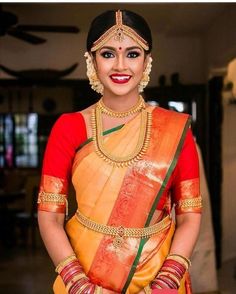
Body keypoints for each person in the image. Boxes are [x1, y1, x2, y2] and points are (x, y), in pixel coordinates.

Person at [37, 9, 202, 294]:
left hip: (158, 273)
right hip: (85, 271)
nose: (121, 66)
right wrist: (79, 284)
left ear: (147, 62)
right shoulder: (69, 128)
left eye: (133, 54)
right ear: (91, 60)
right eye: (108, 54)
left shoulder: (176, 130)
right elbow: (49, 216)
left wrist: (167, 281)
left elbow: (189, 215)